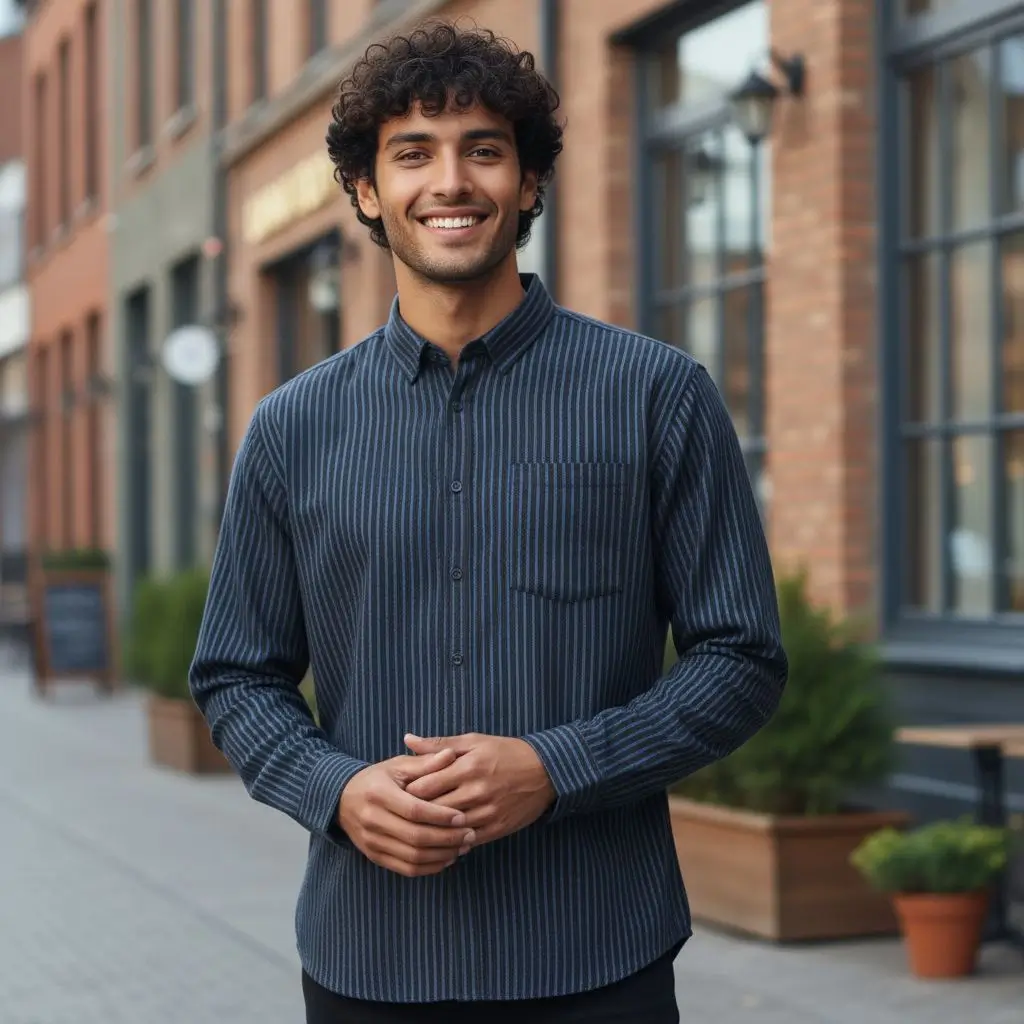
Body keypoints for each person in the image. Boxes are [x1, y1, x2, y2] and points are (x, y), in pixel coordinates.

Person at [189, 21, 788, 1024]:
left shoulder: (654, 396)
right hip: (368, 959)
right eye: (412, 153)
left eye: (483, 148)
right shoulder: (290, 429)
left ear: (529, 183)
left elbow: (742, 657)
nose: (450, 181)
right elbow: (235, 675)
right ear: (367, 192)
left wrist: (557, 768)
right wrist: (334, 789)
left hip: (598, 954)